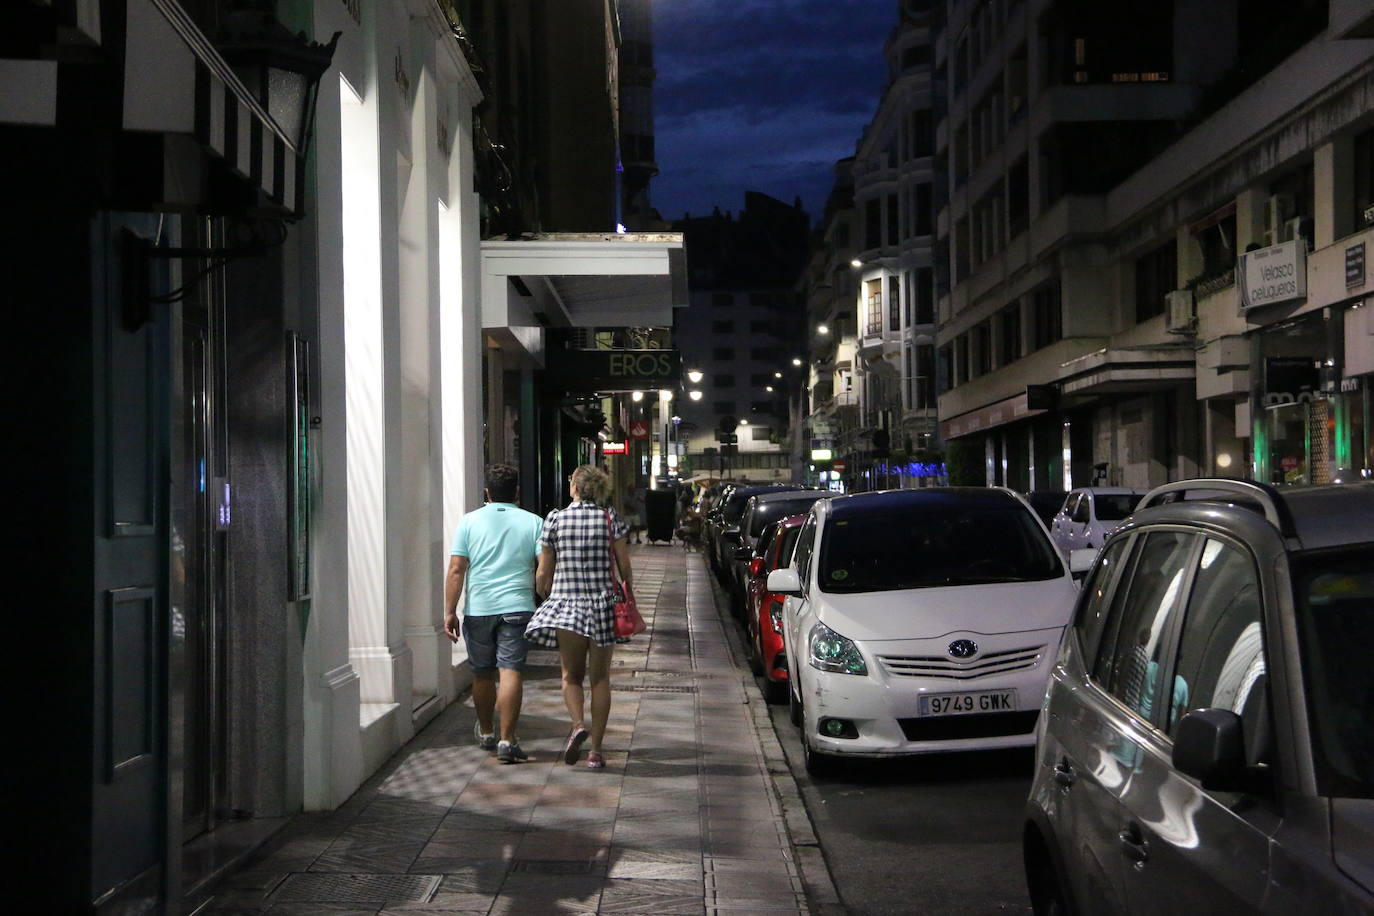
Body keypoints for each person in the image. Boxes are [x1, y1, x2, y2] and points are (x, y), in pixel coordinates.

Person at [525, 465, 633, 769]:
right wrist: (624, 596)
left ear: (574, 487)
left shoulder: (555, 519)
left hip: (567, 604)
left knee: (570, 675)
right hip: (602, 605)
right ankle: (596, 751)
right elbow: (623, 567)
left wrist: (547, 596)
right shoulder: (610, 519)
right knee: (600, 678)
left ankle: (576, 724)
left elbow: (544, 571)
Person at [443, 464, 544, 764]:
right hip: (517, 606)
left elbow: (456, 569)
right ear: (515, 492)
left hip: (480, 608)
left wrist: (450, 611)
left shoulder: (469, 522)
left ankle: (486, 731)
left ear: (486, 491)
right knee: (510, 671)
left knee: (482, 673)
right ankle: (507, 739)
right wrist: (544, 597)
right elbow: (544, 567)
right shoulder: (534, 522)